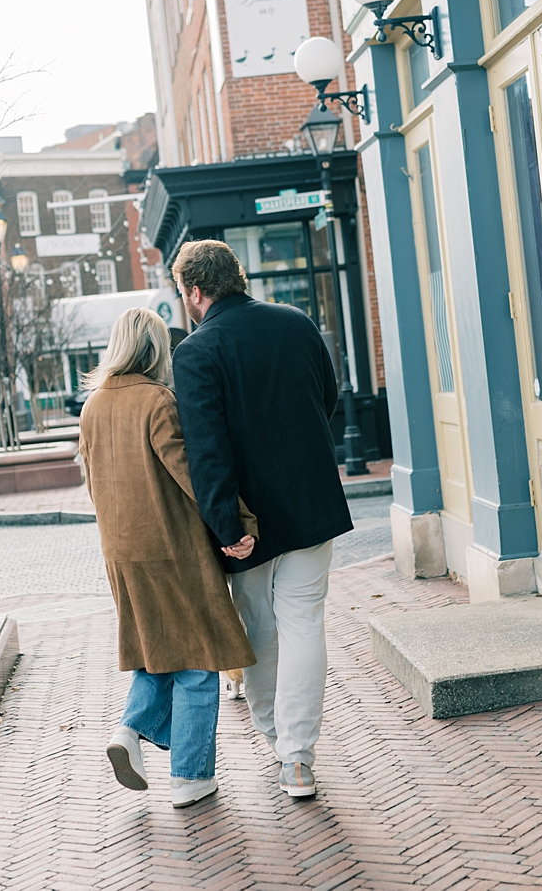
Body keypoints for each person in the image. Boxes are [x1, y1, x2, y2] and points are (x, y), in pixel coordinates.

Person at [170, 238, 354, 801]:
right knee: (304, 625)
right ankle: (296, 759)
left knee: (259, 631)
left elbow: (207, 452)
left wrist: (227, 527)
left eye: (184, 295)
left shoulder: (197, 352)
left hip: (246, 524)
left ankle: (278, 737)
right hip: (310, 502)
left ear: (195, 292)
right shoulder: (296, 323)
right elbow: (330, 398)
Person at [79, 307, 257, 810]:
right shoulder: (158, 401)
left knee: (160, 649)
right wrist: (236, 523)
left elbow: (92, 485)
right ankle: (190, 775)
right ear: (156, 350)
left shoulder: (92, 407)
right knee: (199, 658)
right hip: (171, 550)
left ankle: (130, 730)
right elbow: (192, 473)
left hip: (122, 551)